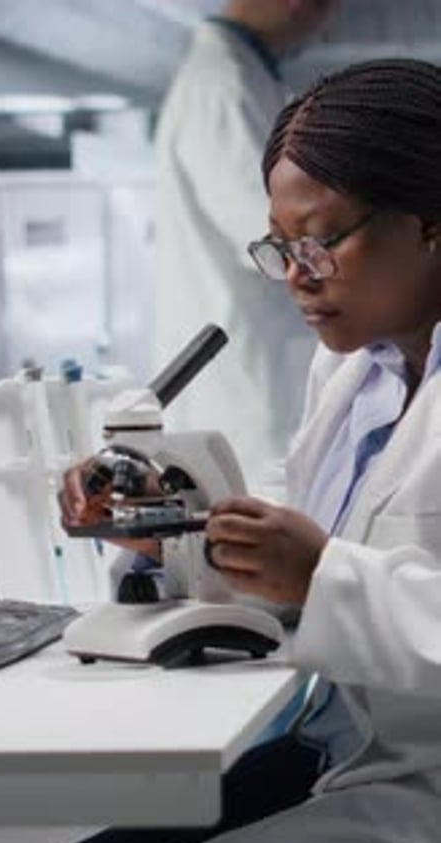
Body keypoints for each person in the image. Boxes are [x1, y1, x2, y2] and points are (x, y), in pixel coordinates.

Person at [53, 58, 441, 843]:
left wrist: (319, 575)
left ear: (430, 224)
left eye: (322, 241)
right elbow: (309, 569)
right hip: (337, 748)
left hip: (427, 801)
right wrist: (176, 533)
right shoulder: (353, 375)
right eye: (280, 246)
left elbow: (332, 578)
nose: (297, 275)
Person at [153, 0, 339, 492]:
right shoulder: (222, 82)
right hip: (244, 395)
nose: (328, 19)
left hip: (260, 383)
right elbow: (271, 235)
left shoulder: (242, 78)